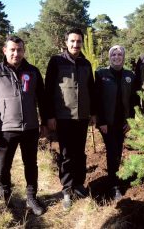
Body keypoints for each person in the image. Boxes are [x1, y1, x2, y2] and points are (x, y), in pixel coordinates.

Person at [0, 36, 46, 216]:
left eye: (19, 50)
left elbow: (42, 99)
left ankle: (32, 197)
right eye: (12, 50)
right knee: (2, 167)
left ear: (24, 51)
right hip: (5, 130)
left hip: (30, 129)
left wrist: (45, 122)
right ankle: (5, 195)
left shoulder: (33, 72)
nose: (16, 53)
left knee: (31, 165)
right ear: (5, 50)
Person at [45, 28, 96, 210]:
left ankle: (79, 184)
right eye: (72, 41)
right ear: (66, 42)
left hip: (82, 117)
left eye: (79, 41)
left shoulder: (86, 64)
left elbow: (91, 89)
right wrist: (49, 116)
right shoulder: (56, 62)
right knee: (66, 154)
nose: (76, 45)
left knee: (80, 152)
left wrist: (93, 113)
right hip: (63, 117)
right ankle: (67, 189)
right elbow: (48, 90)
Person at [95, 45, 137, 200]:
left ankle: (114, 178)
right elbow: (97, 99)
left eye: (120, 54)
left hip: (122, 122)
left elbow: (134, 100)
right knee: (112, 151)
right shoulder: (101, 74)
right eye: (113, 54)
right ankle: (114, 185)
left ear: (124, 57)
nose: (117, 57)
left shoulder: (129, 75)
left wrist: (131, 120)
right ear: (109, 57)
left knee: (117, 151)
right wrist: (101, 121)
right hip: (107, 122)